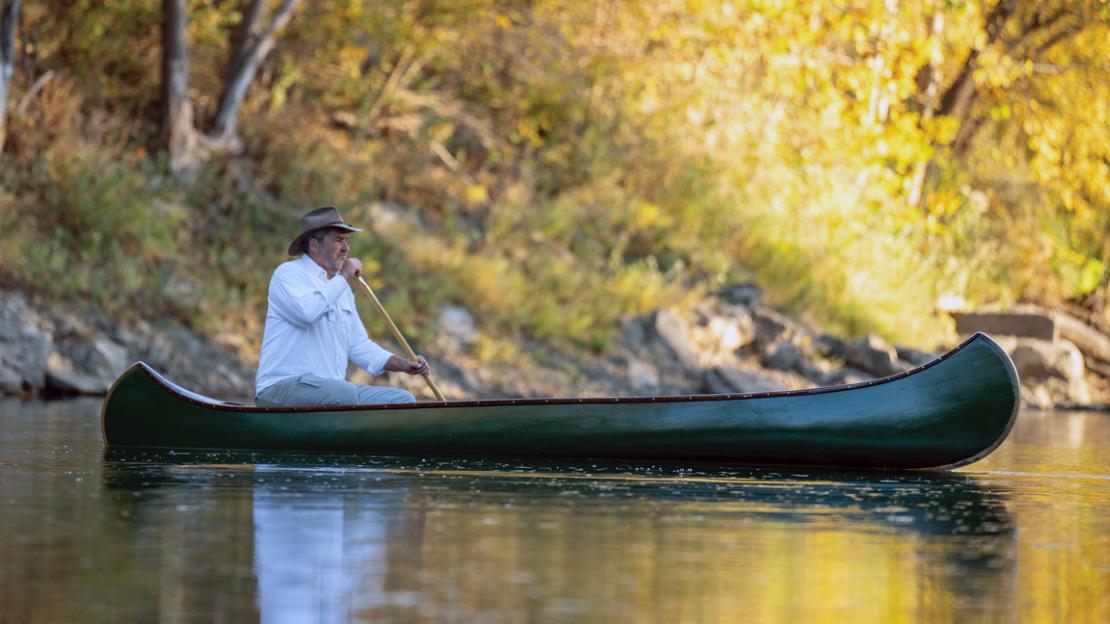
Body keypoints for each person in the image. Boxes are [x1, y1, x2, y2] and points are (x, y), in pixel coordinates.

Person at [254, 206, 430, 407]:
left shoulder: (341, 288)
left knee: (403, 400)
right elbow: (307, 314)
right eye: (338, 240)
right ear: (314, 245)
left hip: (333, 393)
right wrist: (344, 277)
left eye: (346, 241)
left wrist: (403, 364)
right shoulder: (288, 274)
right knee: (344, 394)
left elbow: (358, 345)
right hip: (281, 388)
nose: (346, 249)